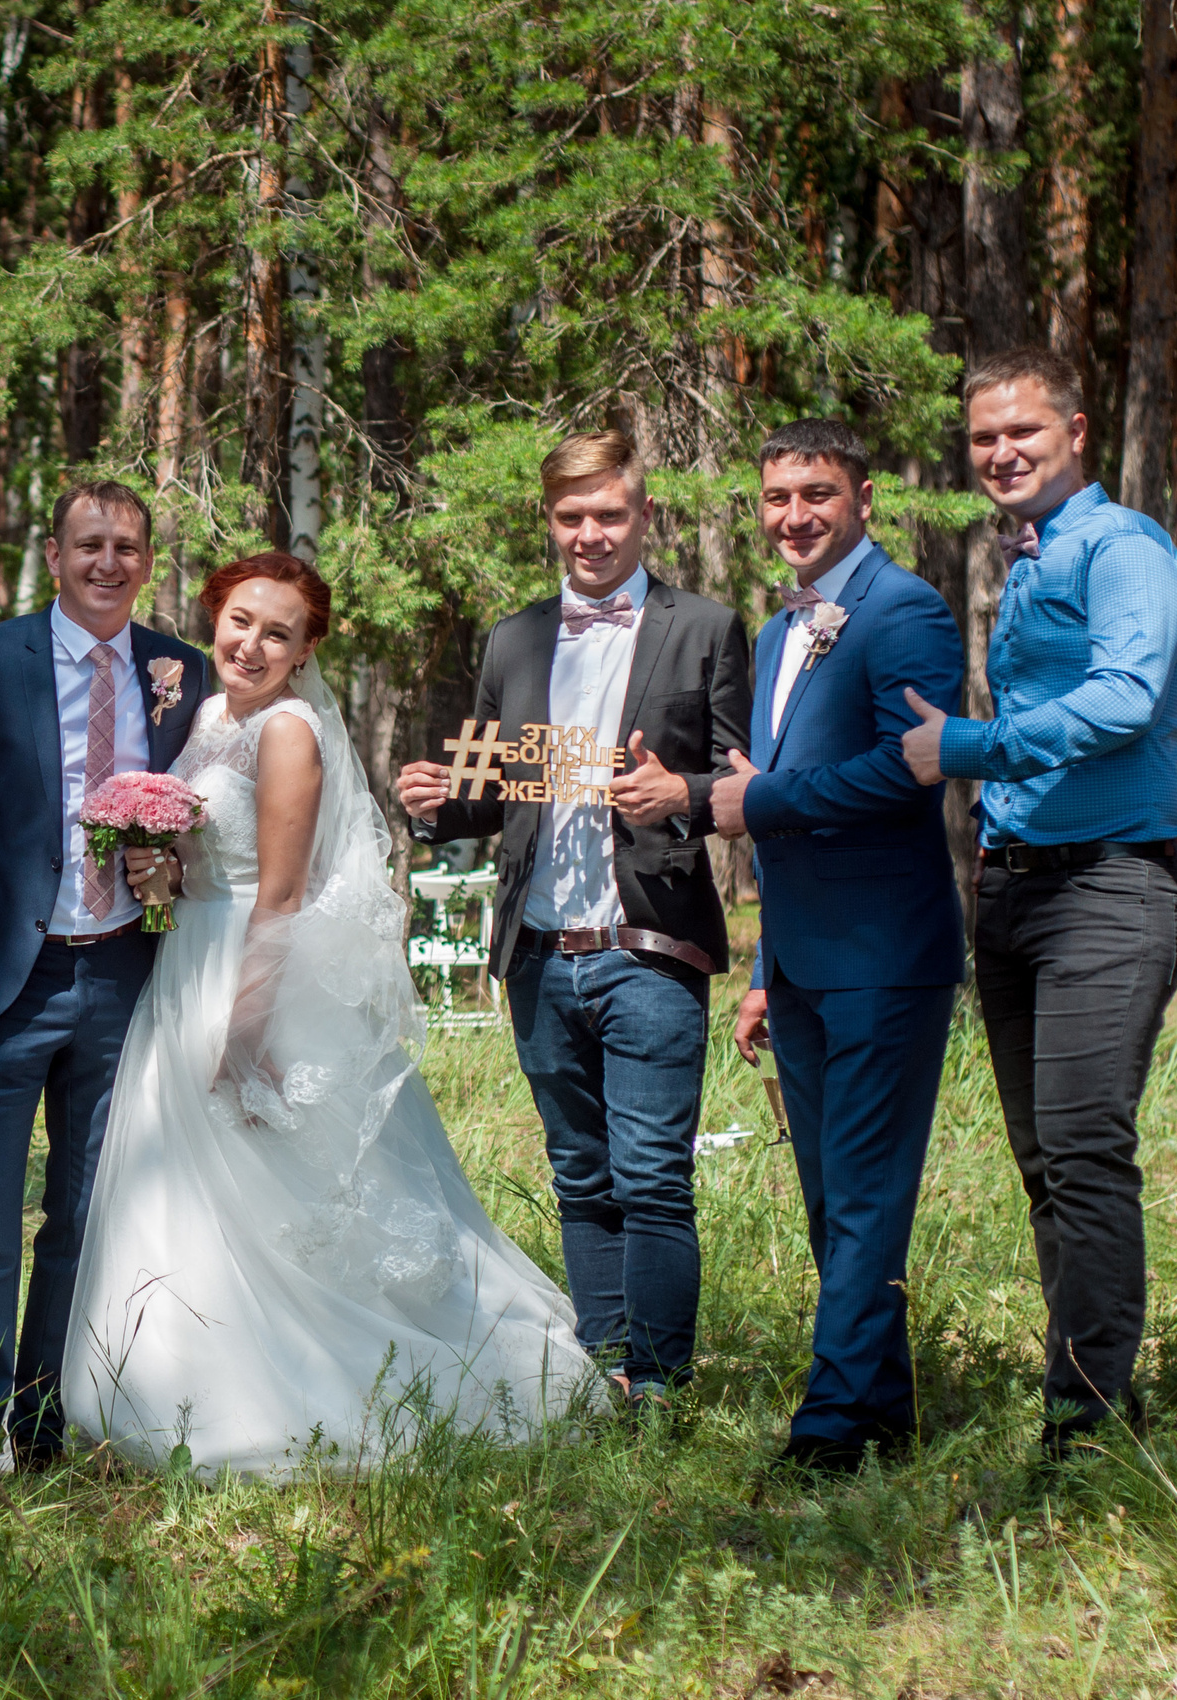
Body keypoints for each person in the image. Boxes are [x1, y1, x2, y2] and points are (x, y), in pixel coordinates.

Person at [64, 553, 594, 1475]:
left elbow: (279, 896)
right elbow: (204, 861)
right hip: (187, 960)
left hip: (250, 981)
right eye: (239, 621)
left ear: (308, 648)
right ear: (213, 620)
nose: (252, 644)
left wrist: (246, 1029)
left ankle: (309, 1391)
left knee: (290, 1197)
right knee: (185, 1189)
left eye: (278, 632)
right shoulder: (203, 717)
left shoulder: (289, 733)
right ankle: (168, 1379)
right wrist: (164, 871)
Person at [394, 430, 752, 1410]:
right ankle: (602, 1374)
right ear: (547, 521)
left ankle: (663, 1387)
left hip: (652, 943)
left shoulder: (704, 627)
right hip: (539, 954)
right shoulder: (513, 638)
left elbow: (742, 779)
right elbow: (493, 795)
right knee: (580, 1172)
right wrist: (434, 799)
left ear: (643, 515)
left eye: (609, 514)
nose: (590, 534)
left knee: (650, 1173)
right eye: (570, 516)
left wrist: (675, 788)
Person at [901, 346, 1177, 1460]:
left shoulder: (1121, 548)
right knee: (1045, 1161)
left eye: (1022, 430)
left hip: (1112, 884)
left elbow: (1125, 695)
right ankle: (1076, 1383)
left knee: (1081, 1147)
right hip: (1018, 891)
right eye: (983, 436)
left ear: (1076, 429)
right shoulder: (1031, 558)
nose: (1001, 452)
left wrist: (966, 746)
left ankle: (1089, 1426)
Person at [0, 480, 208, 1515]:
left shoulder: (179, 670)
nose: (107, 562)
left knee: (84, 1216)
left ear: (146, 558)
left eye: (125, 546)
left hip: (123, 973)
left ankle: (46, 1421)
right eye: (88, 544)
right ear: (54, 551)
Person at [710, 419, 965, 1477]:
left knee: (863, 1193)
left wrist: (749, 795)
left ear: (863, 496)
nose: (793, 516)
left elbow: (908, 768)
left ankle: (825, 1432)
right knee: (829, 1197)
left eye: (815, 493)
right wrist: (765, 968)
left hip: (881, 952)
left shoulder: (903, 609)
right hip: (806, 960)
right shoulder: (779, 632)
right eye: (776, 497)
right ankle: (884, 1409)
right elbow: (789, 830)